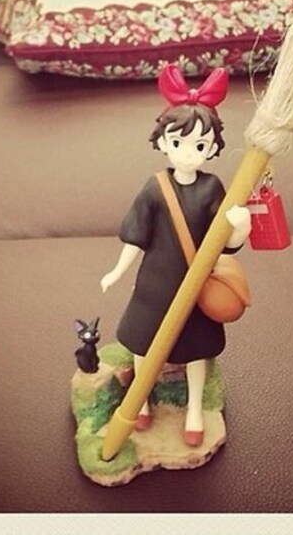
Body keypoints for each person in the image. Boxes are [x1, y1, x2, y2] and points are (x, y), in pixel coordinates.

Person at [100, 64, 251, 447]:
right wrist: (116, 271)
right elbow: (136, 236)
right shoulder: (154, 188)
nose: (188, 153)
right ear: (163, 143)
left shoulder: (213, 188)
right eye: (179, 143)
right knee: (143, 341)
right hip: (155, 285)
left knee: (197, 350)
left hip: (196, 285)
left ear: (212, 148)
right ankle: (140, 400)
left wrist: (242, 227)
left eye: (199, 146)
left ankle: (195, 408)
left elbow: (225, 242)